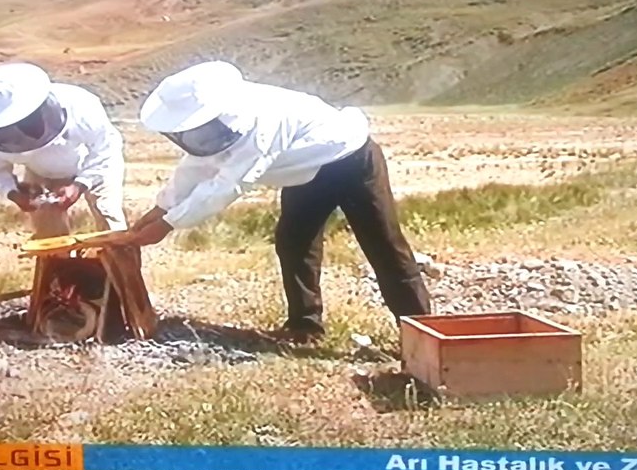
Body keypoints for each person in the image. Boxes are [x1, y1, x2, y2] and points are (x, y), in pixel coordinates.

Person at [125, 60, 431, 343]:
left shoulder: (261, 122)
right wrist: (161, 207)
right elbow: (195, 166)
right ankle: (305, 327)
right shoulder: (215, 127)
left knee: (384, 246)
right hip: (304, 174)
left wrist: (168, 224)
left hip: (350, 160)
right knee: (294, 243)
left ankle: (421, 334)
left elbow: (227, 185)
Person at [0, 62, 127, 233]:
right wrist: (15, 193)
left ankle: (118, 260)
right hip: (40, 172)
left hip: (93, 163)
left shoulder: (79, 104)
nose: (21, 133)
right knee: (48, 233)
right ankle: (59, 262)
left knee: (111, 222)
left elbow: (106, 148)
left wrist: (80, 185)